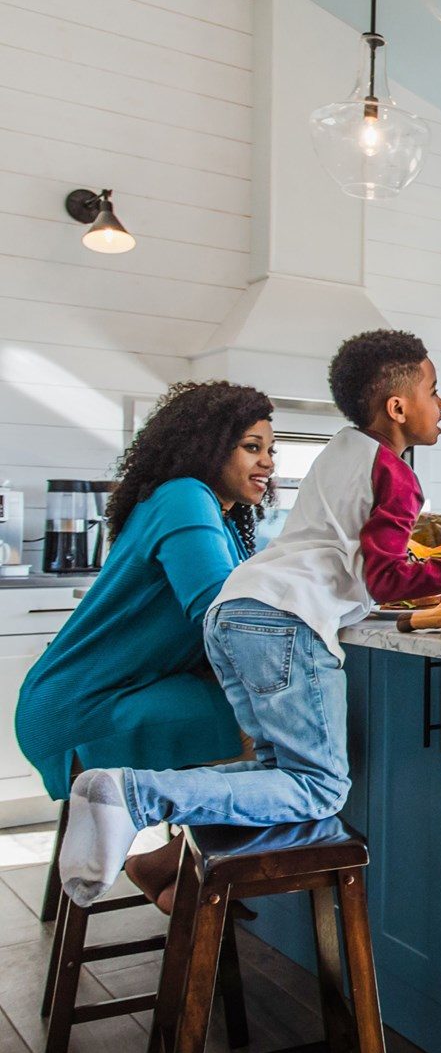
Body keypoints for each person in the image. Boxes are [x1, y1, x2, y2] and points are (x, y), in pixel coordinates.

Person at [57, 330, 441, 905]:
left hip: (236, 611)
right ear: (398, 407)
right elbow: (385, 578)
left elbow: (355, 557)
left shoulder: (343, 448)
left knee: (277, 771)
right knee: (320, 788)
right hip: (286, 622)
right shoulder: (397, 475)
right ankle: (136, 797)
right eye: (434, 390)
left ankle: (124, 810)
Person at [17, 381, 276, 905]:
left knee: (283, 728)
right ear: (208, 445)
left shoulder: (216, 515)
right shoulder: (184, 496)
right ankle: (182, 871)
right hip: (84, 708)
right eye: (252, 447)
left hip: (116, 692)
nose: (267, 462)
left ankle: (169, 867)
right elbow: (218, 613)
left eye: (271, 450)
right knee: (284, 733)